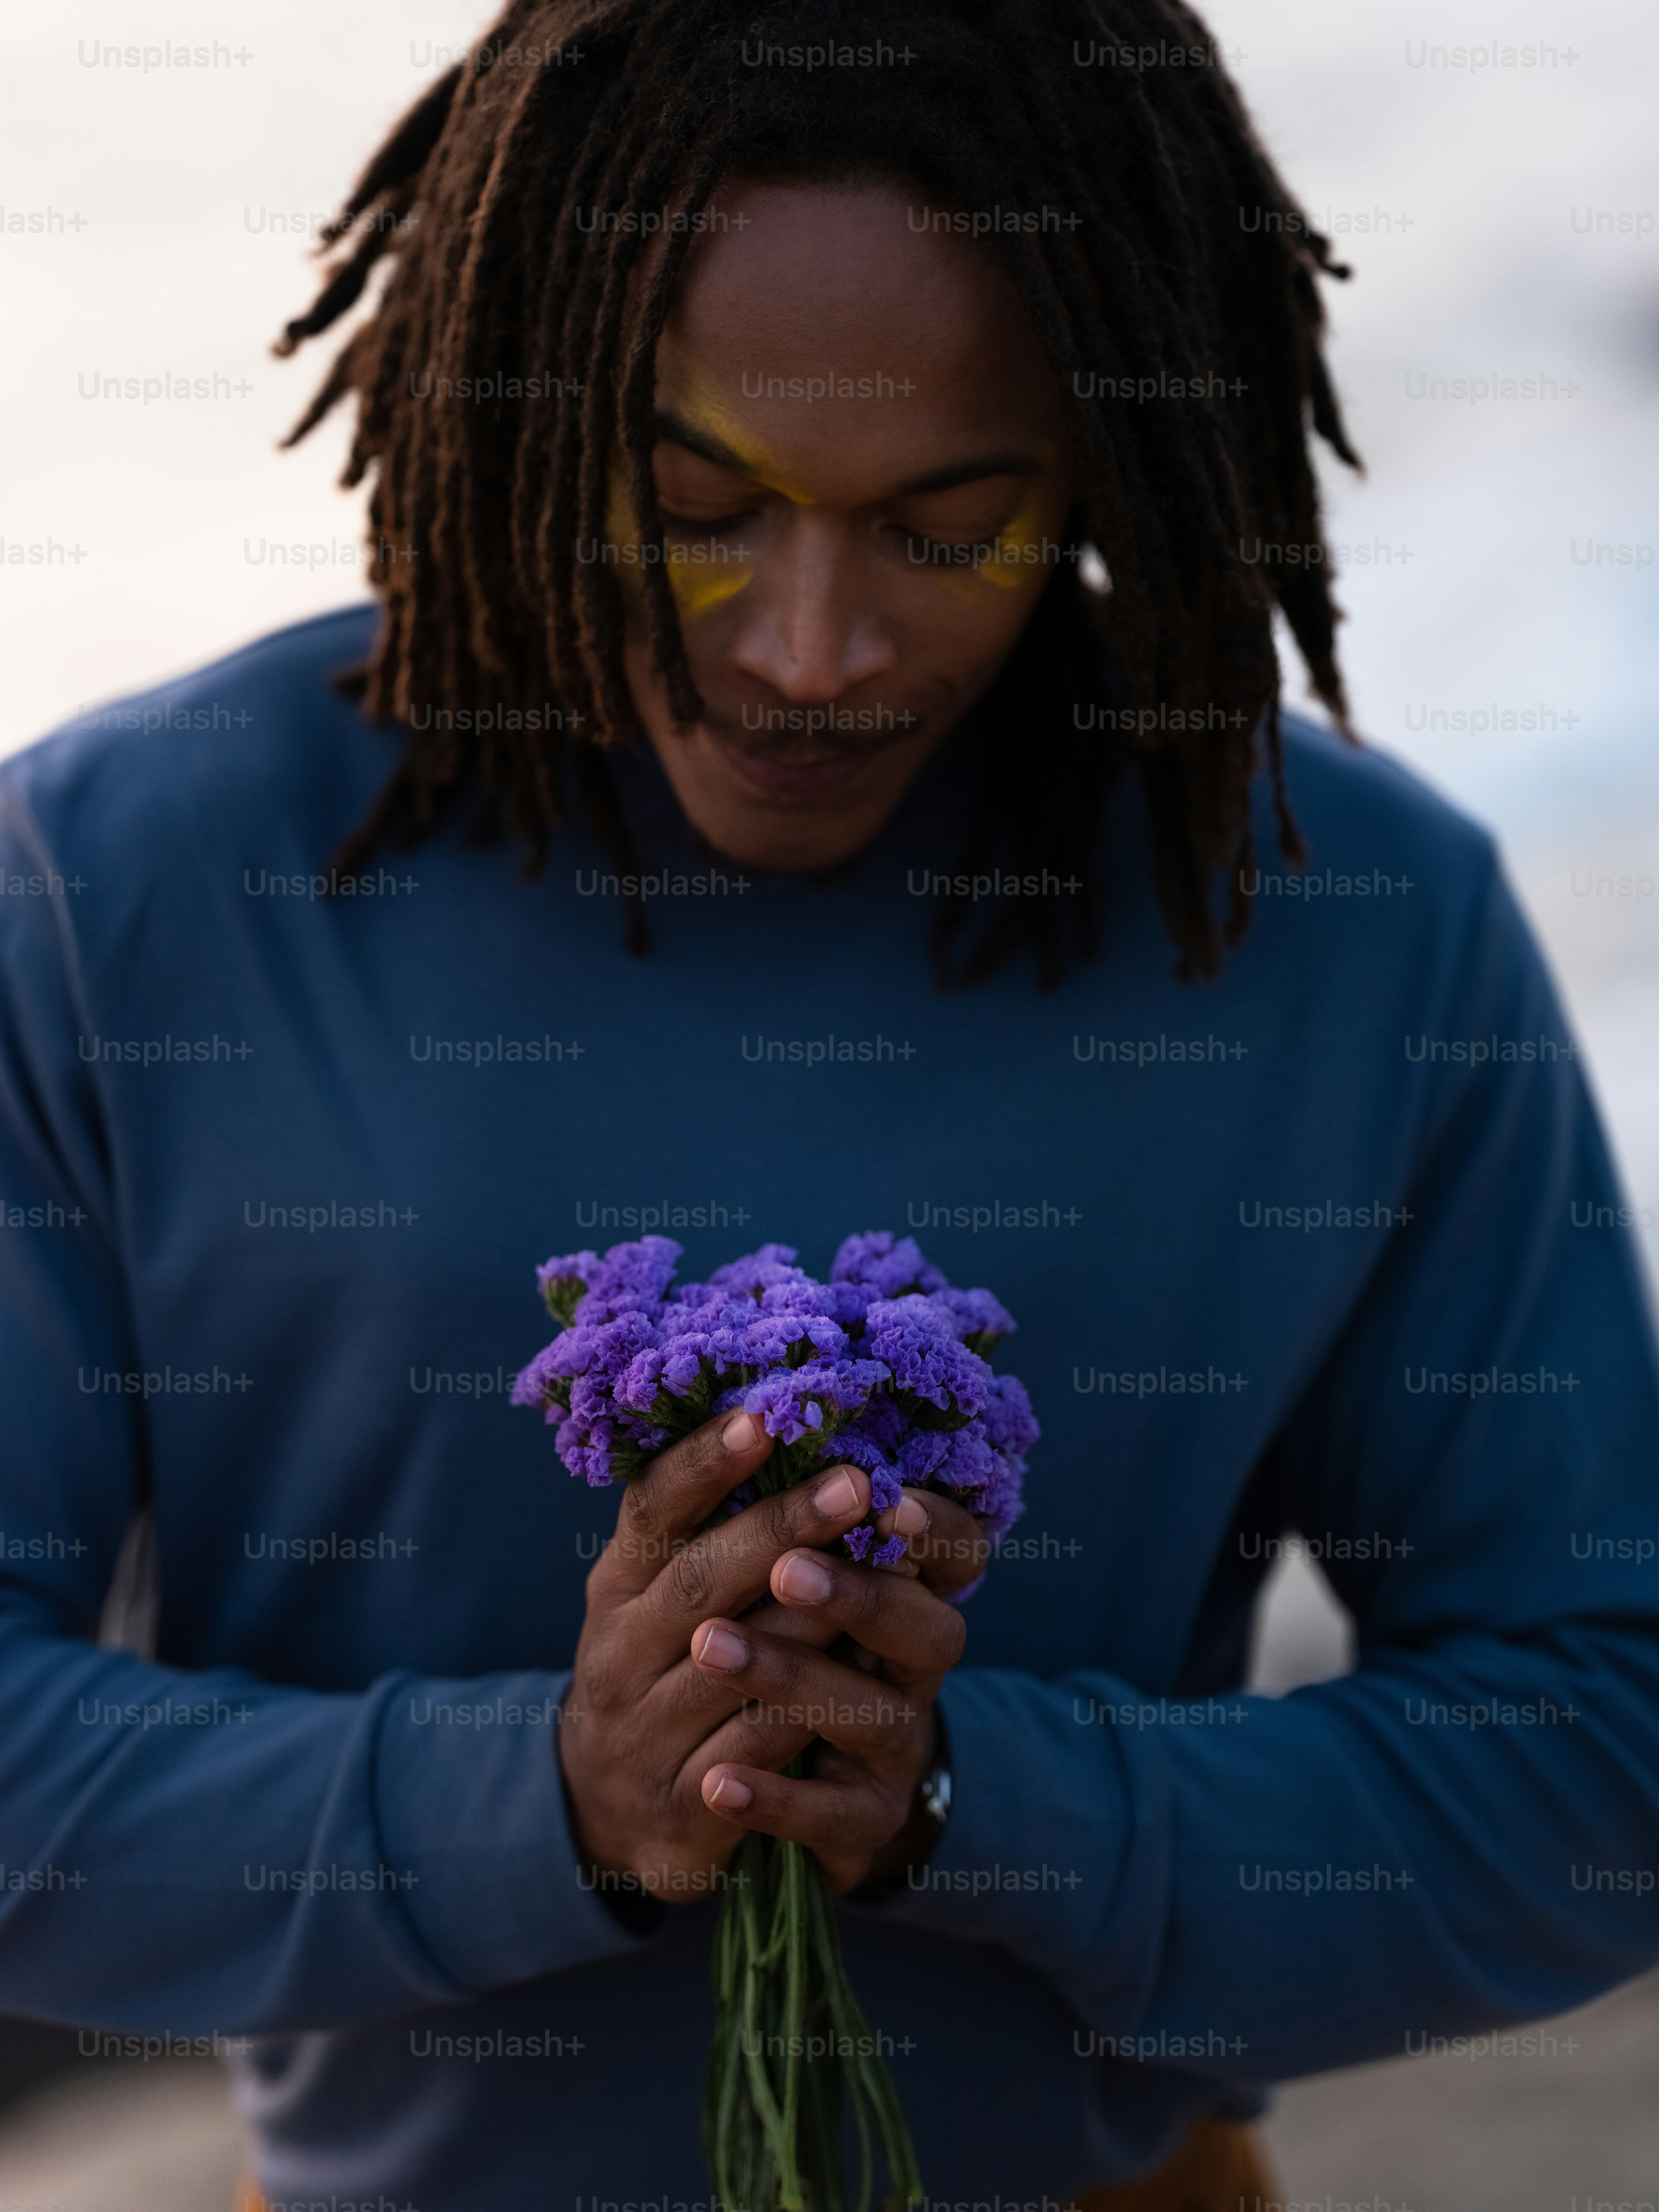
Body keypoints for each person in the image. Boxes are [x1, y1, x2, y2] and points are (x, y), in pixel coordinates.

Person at [2, 3, 1656, 2208]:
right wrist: (557, 1801)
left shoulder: (1354, 924)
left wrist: (979, 1804)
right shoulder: (122, 886)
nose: (810, 650)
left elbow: (1604, 1745)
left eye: (947, 528)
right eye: (693, 504)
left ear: (1111, 451)